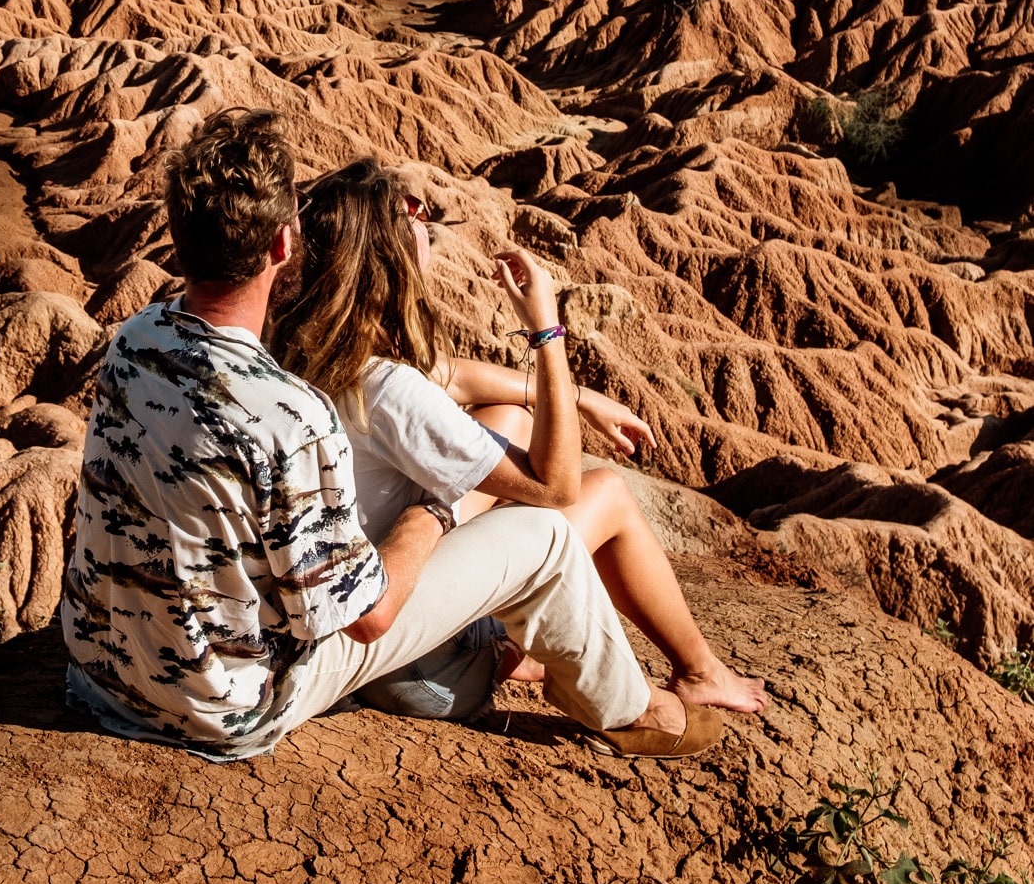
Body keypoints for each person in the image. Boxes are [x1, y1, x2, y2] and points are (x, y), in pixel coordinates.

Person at [61, 107, 718, 762]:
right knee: (544, 534)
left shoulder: (137, 340)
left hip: (99, 682)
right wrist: (433, 510)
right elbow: (368, 617)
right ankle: (637, 714)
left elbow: (429, 380)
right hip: (228, 708)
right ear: (283, 246)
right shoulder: (292, 415)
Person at [269, 159, 767, 727]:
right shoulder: (384, 390)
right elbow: (558, 486)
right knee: (603, 493)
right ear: (385, 258)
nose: (422, 219)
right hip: (417, 670)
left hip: (358, 630)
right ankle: (699, 672)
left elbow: (452, 376)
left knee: (507, 418)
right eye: (409, 215)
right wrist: (545, 331)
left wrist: (580, 398)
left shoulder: (304, 349)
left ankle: (516, 646)